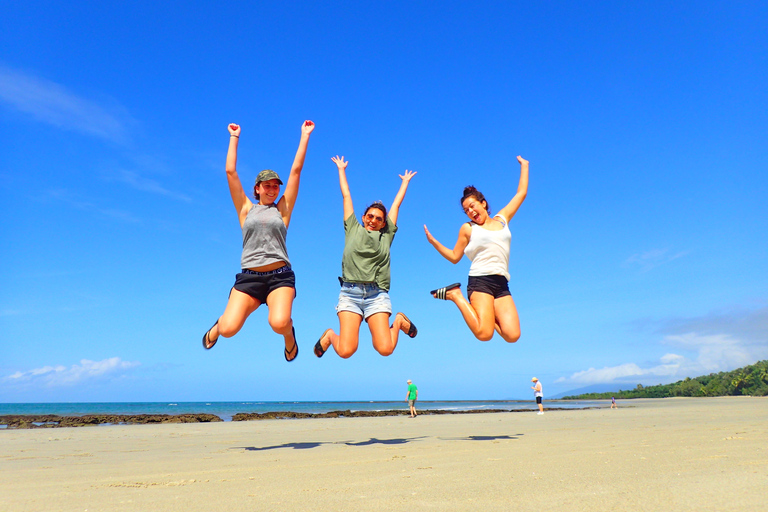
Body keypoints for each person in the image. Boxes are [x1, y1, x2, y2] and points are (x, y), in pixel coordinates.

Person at [202, 120, 315, 362]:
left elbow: (296, 171)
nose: (272, 189)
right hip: (250, 277)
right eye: (267, 186)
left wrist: (304, 135)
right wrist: (234, 138)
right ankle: (218, 324)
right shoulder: (245, 209)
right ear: (257, 188)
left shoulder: (282, 210)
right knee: (228, 330)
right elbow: (230, 172)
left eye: (275, 186)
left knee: (279, 322)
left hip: (280, 276)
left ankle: (289, 337)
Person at [314, 156, 418, 359]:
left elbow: (395, 206)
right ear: (363, 217)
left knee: (385, 349)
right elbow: (346, 195)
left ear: (383, 223)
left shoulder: (386, 236)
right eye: (370, 216)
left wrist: (404, 183)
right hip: (350, 293)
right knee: (346, 351)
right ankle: (329, 336)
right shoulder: (352, 227)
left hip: (376, 295)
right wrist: (341, 170)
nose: (373, 220)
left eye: (379, 218)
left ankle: (398, 322)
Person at [424, 156, 529, 343]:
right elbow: (455, 257)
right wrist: (435, 243)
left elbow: (520, 194)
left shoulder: (502, 219)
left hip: (502, 282)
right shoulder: (468, 228)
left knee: (512, 335)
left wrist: (525, 166)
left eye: (472, 206)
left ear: (483, 204)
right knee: (484, 334)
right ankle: (455, 294)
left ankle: (486, 318)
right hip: (480, 281)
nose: (470, 212)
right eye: (466, 210)